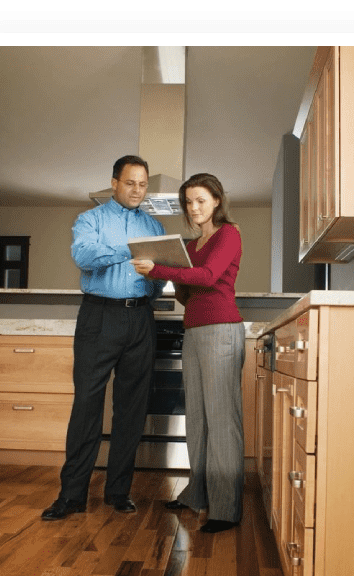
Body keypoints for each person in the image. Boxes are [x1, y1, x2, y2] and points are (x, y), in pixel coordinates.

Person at [42, 156, 165, 520]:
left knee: (131, 408)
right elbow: (84, 256)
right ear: (114, 182)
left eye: (142, 184)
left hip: (141, 317)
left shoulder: (154, 224)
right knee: (87, 406)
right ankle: (72, 495)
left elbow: (159, 274)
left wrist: (151, 288)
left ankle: (117, 492)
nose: (137, 191)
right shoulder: (90, 220)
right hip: (100, 316)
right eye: (130, 183)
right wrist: (130, 248)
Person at [132, 173, 244, 533]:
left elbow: (210, 277)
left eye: (200, 200)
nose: (193, 208)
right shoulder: (192, 246)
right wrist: (172, 276)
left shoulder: (230, 234)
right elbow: (188, 294)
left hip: (222, 330)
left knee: (222, 420)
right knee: (197, 418)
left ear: (216, 201)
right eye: (188, 202)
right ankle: (197, 495)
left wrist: (159, 270)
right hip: (194, 332)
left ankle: (226, 509)